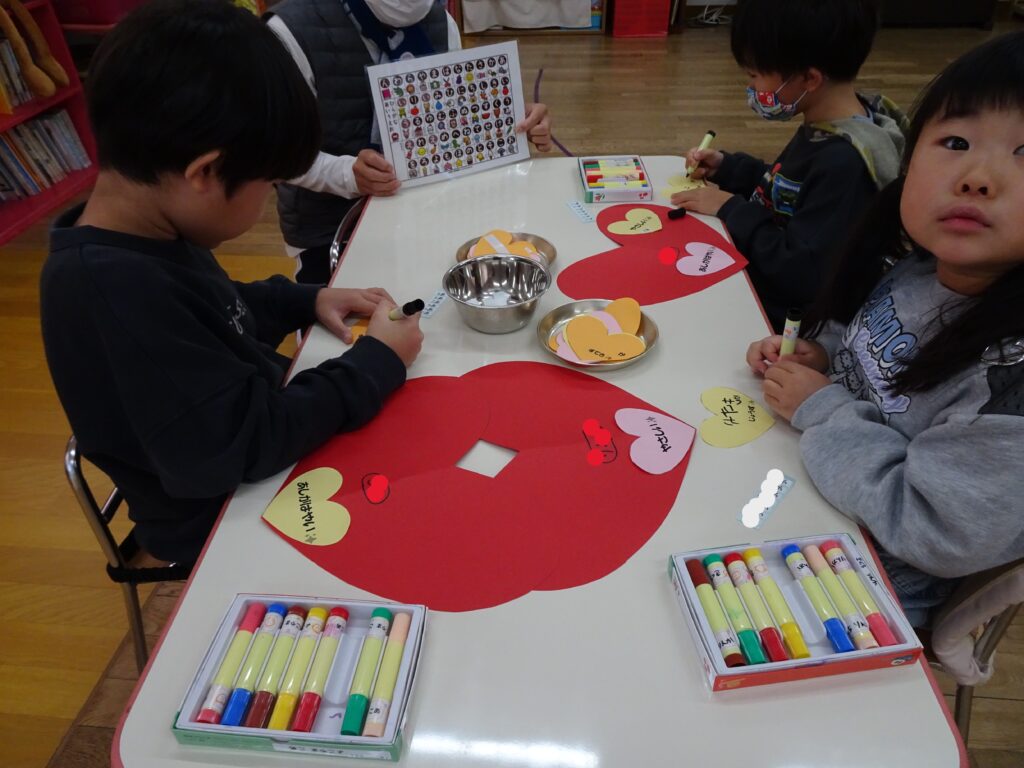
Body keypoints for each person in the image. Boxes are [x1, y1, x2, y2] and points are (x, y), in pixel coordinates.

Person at [40, 0, 423, 566]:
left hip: (256, 444)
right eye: (268, 183)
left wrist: (308, 299)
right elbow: (250, 443)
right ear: (205, 173)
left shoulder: (143, 231)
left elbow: (222, 308)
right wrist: (375, 362)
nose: (268, 198)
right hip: (224, 518)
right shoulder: (113, 292)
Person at [745, 32, 1024, 626]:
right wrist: (821, 354)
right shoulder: (921, 269)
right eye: (955, 142)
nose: (977, 177)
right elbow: (871, 347)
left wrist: (823, 409)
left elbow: (931, 528)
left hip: (859, 589)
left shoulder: (1008, 387)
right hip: (807, 486)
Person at [266, 0, 554, 283]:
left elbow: (453, 120)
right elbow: (272, 152)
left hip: (430, 215)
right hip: (329, 229)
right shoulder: (291, 30)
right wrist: (346, 174)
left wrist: (507, 118)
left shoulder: (441, 22)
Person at [673, 0, 906, 332]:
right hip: (763, 280)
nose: (752, 88)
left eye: (754, 75)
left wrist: (730, 209)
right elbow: (790, 189)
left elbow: (802, 273)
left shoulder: (846, 162)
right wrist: (728, 168)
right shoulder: (830, 125)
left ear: (809, 78)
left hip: (782, 322)